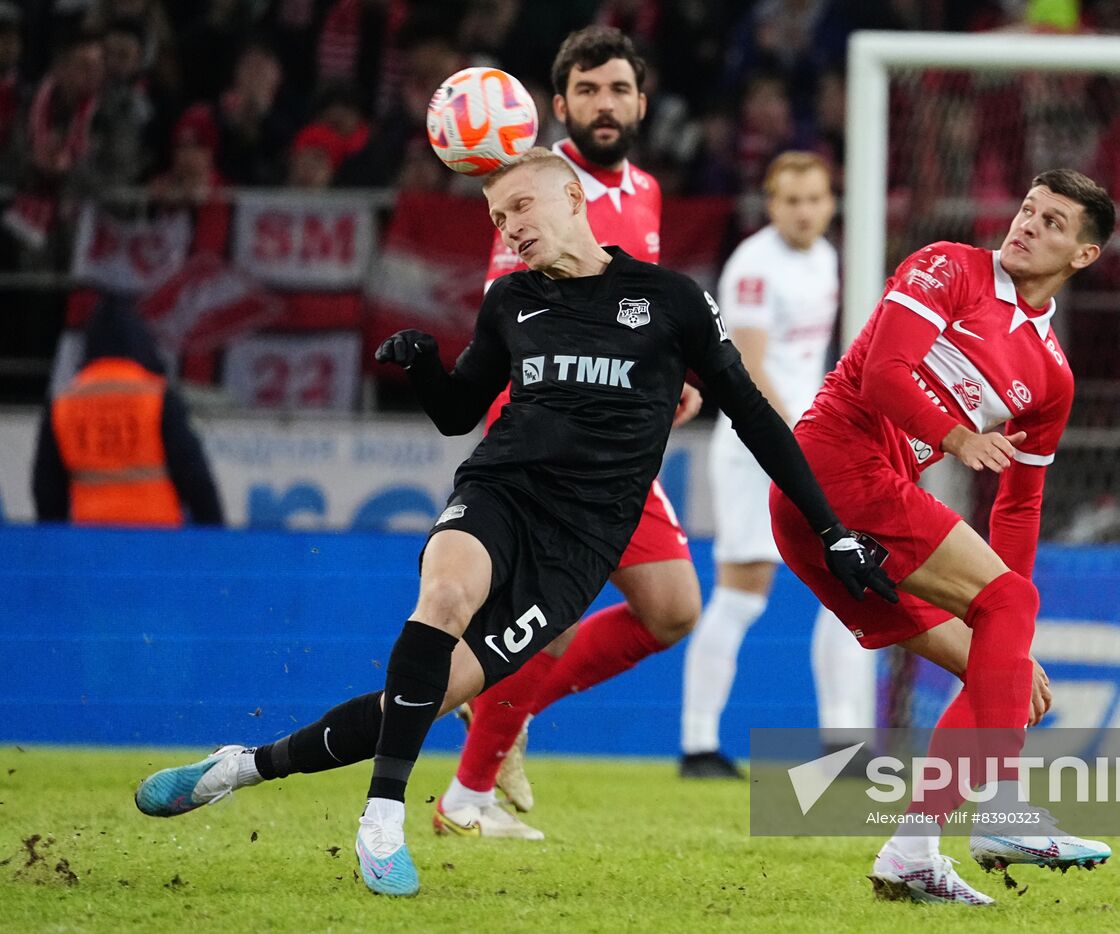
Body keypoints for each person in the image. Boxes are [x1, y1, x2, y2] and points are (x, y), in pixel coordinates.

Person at [133, 147, 895, 899]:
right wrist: (425, 366)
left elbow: (758, 419)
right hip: (500, 491)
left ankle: (240, 766)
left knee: (421, 699)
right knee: (443, 597)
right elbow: (459, 412)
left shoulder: (672, 300)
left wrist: (833, 531)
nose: (510, 227)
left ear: (573, 198)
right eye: (499, 218)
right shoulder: (510, 301)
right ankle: (383, 820)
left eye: (522, 207)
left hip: (580, 545)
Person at [769, 169, 1117, 906]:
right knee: (1005, 615)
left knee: (1001, 675)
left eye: (1053, 222)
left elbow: (1020, 506)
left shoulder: (1051, 378)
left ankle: (912, 852)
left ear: (1083, 256)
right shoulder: (950, 267)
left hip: (857, 512)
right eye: (1027, 208)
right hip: (833, 468)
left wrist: (1007, 630)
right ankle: (1001, 813)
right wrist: (956, 437)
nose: (1027, 225)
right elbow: (885, 376)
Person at [436, 25, 704, 839]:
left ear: (641, 102)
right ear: (559, 106)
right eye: (587, 90)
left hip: (619, 436)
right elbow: (516, 322)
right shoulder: (535, 184)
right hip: (551, 434)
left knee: (671, 610)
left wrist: (673, 380)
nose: (605, 104)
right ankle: (464, 792)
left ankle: (492, 739)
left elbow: (640, 316)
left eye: (618, 88)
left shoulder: (649, 192)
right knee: (547, 618)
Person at [679, 150, 870, 777]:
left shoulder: (827, 257)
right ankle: (699, 743)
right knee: (742, 594)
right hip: (756, 446)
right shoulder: (753, 266)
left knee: (850, 583)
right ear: (771, 204)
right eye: (792, 200)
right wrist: (802, 437)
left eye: (816, 198)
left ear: (831, 202)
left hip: (808, 438)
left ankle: (845, 745)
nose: (805, 211)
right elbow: (751, 368)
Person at [32, 300, 223, 527]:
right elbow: (195, 476)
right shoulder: (157, 397)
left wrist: (56, 544)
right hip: (156, 536)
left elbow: (46, 488)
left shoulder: (63, 404)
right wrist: (214, 536)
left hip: (89, 539)